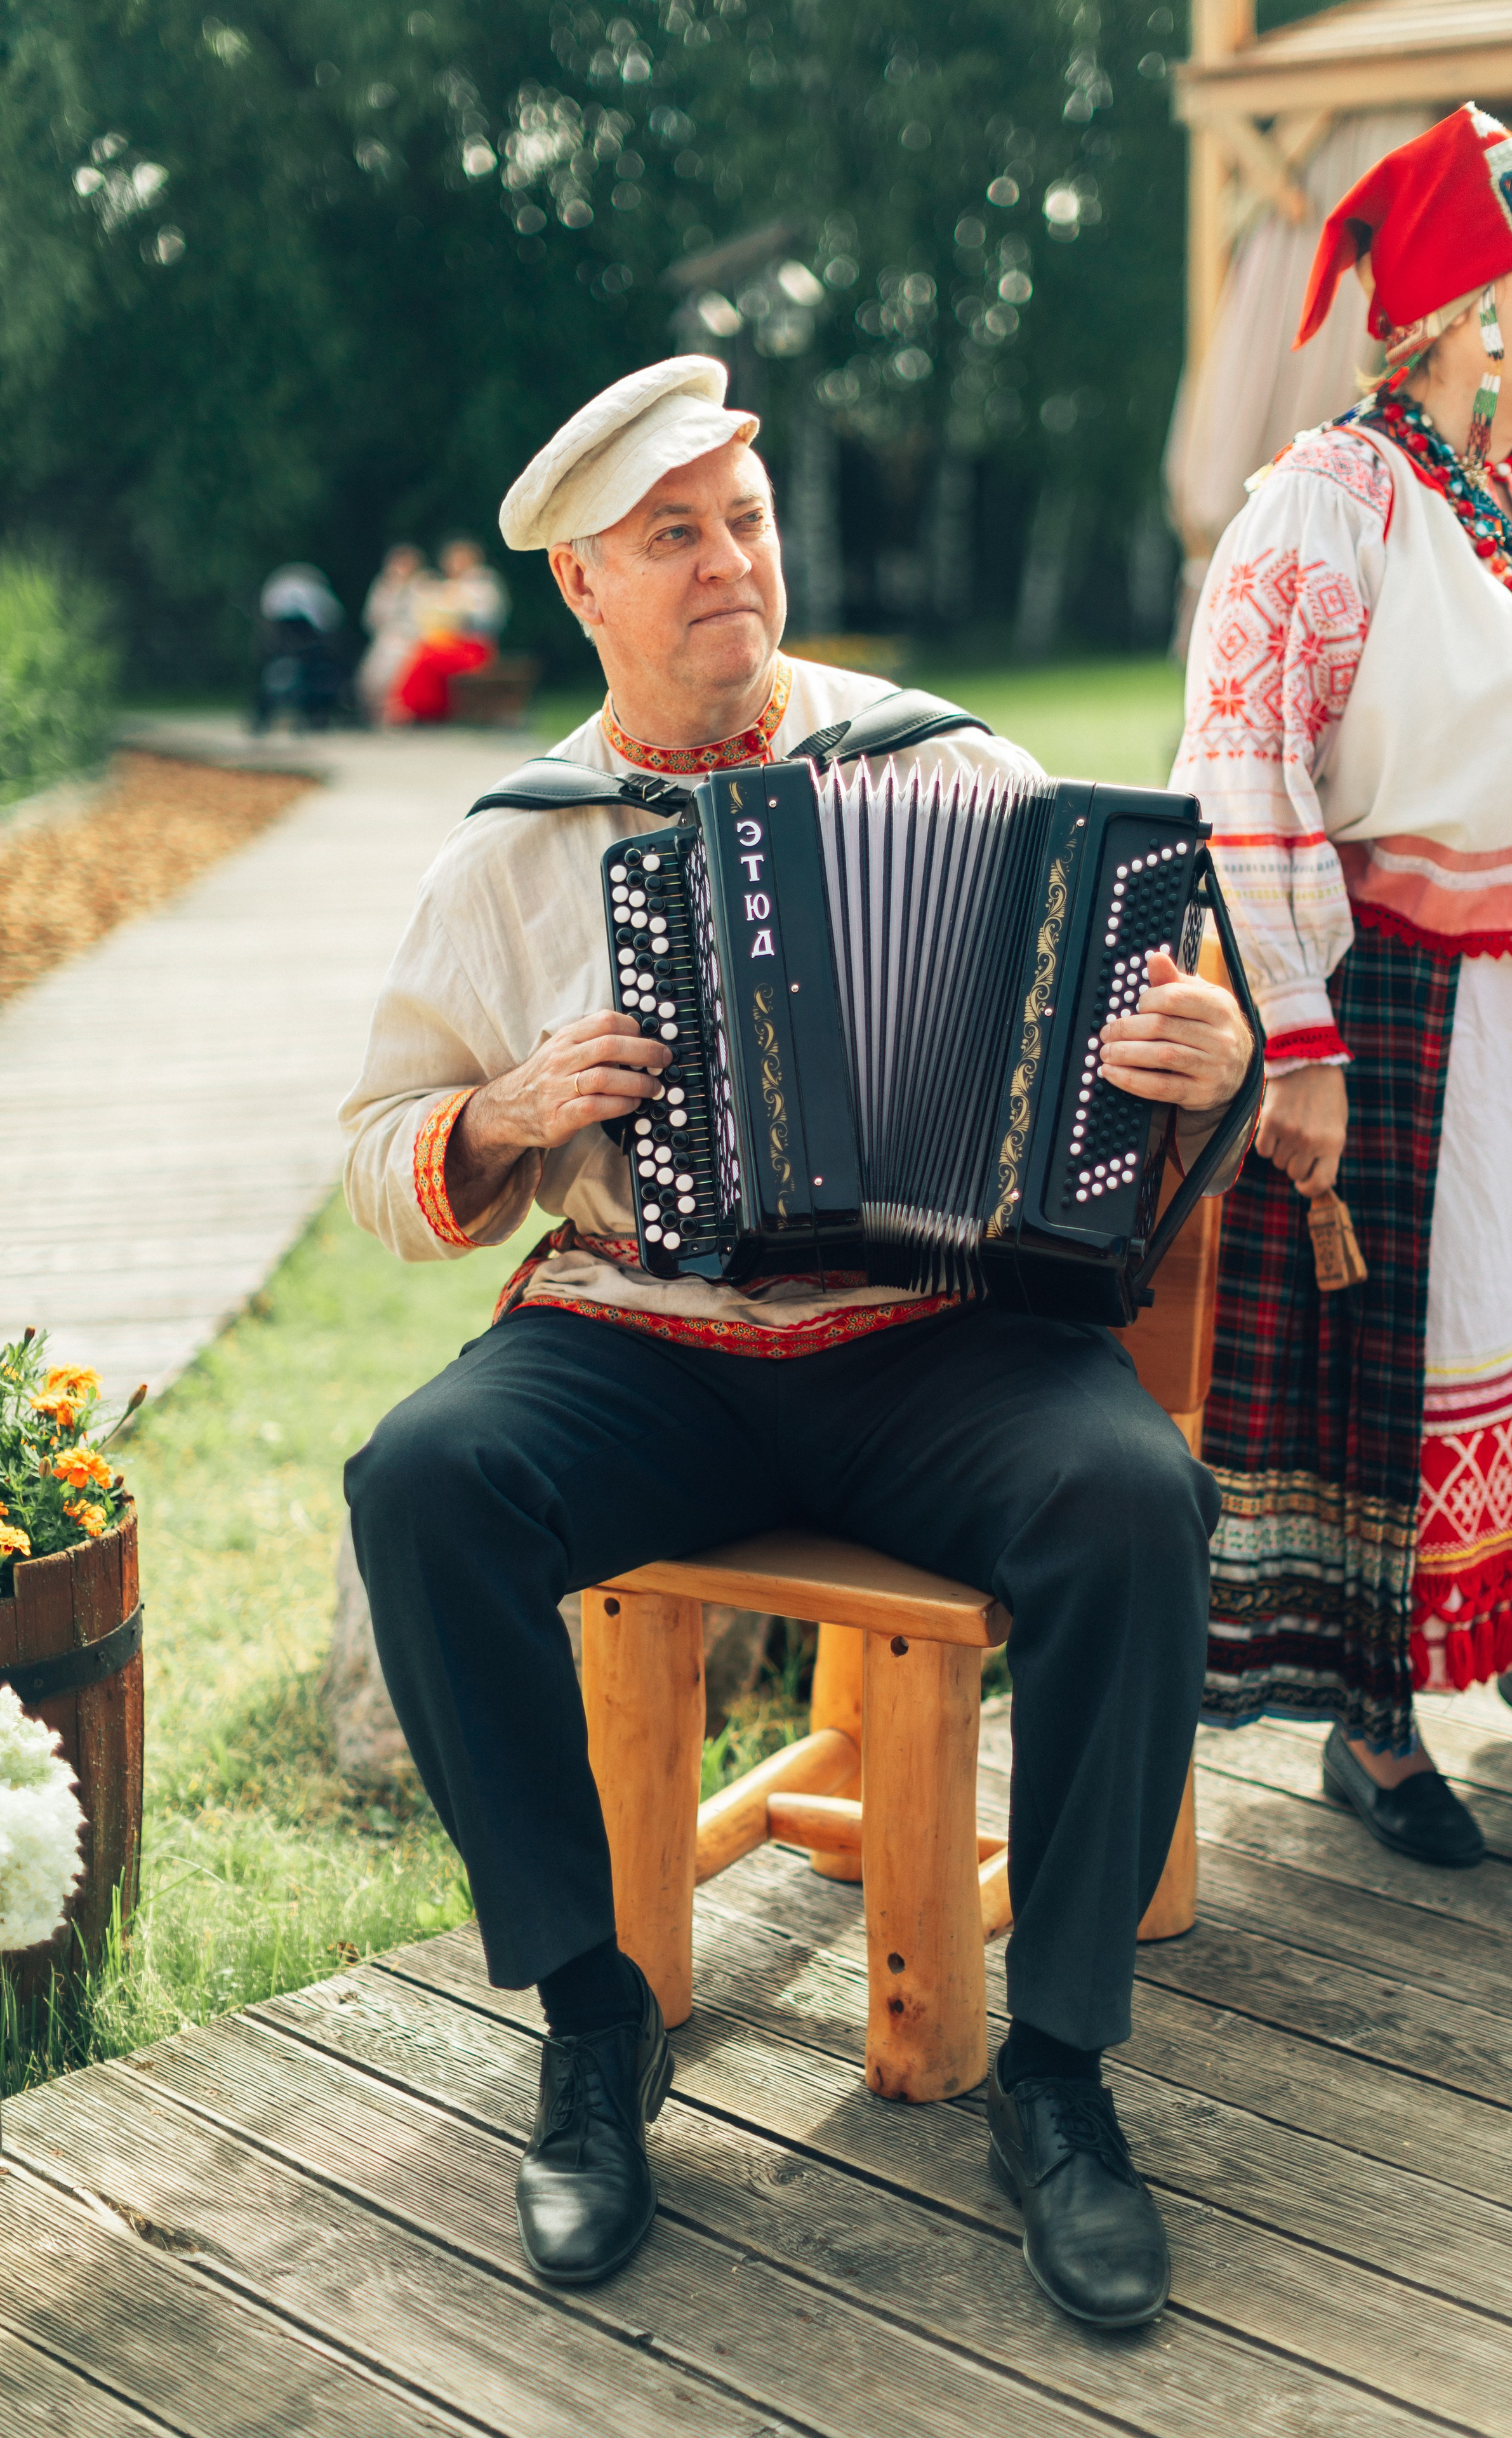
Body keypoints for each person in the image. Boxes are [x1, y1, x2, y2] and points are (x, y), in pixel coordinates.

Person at [340, 357, 1258, 2322]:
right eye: (671, 536)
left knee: (1130, 1499)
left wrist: (1207, 1057)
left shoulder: (950, 767)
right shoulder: (510, 849)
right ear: (583, 584)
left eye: (742, 523)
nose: (725, 564)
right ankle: (593, 2024)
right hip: (644, 1340)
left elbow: (1140, 1049)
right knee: (421, 1480)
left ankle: (1058, 2071)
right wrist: (501, 1116)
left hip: (930, 1342)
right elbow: (375, 1153)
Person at [1174, 106, 1512, 1867]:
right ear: (1464, 310)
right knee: (1407, 1365)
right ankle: (1372, 1721)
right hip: (1407, 1014)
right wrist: (1293, 1033)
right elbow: (1245, 768)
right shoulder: (1332, 500)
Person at [393, 536, 510, 723]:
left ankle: (423, 710)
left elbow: (489, 621)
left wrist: (460, 617)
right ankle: (421, 708)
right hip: (452, 644)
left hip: (476, 647)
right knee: (421, 651)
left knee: (426, 657)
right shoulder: (449, 585)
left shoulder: (483, 584)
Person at [250, 562, 348, 733]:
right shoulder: (315, 595)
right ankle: (315, 713)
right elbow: (328, 624)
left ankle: (267, 715)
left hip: (287, 649)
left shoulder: (278, 596)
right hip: (308, 651)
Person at [357, 543, 430, 723]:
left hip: (415, 638)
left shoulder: (424, 585)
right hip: (386, 638)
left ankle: (399, 713)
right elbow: (372, 618)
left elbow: (428, 617)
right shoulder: (383, 586)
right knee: (376, 669)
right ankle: (376, 712)